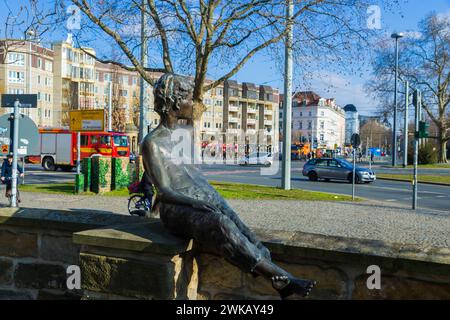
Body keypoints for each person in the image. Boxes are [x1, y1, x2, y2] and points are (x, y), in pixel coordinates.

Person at [141, 73, 315, 299]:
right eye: (188, 98)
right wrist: (200, 203)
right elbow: (164, 190)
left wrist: (213, 198)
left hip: (196, 198)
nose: (192, 103)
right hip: (174, 207)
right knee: (220, 222)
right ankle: (282, 279)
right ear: (174, 102)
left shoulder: (183, 135)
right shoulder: (152, 142)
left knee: (232, 216)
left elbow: (194, 177)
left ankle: (273, 272)